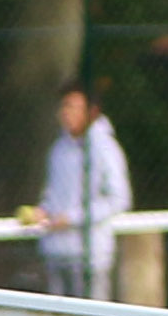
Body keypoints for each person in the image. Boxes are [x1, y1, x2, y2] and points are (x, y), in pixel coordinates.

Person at [32, 82, 129, 297]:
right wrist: (43, 211)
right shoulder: (58, 149)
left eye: (72, 107)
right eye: (63, 107)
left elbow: (118, 199)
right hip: (56, 253)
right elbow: (51, 194)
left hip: (90, 258)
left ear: (91, 112)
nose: (65, 113)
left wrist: (73, 218)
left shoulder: (105, 148)